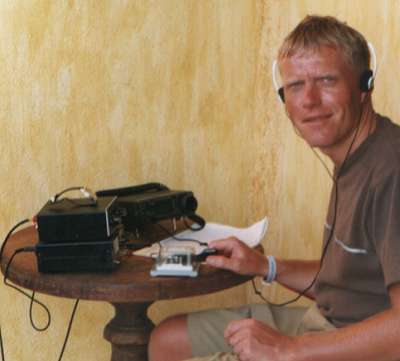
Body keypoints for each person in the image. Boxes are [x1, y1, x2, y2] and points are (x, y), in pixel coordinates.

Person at [148, 15, 400, 361]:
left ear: (364, 85)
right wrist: (263, 266)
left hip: (351, 344)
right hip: (324, 322)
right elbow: (348, 279)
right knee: (168, 339)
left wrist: (291, 349)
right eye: (295, 86)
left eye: (326, 80)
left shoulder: (391, 170)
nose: (309, 100)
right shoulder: (352, 156)